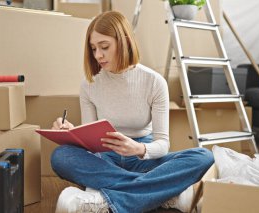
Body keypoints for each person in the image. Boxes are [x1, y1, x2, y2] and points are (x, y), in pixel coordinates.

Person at [50, 11, 214, 213]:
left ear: (124, 41)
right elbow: (90, 141)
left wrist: (138, 149)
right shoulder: (89, 85)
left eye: (104, 47)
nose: (98, 55)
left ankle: (104, 199)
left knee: (203, 157)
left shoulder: (154, 82)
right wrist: (71, 133)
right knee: (61, 156)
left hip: (143, 158)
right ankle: (165, 194)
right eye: (93, 48)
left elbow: (163, 144)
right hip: (105, 158)